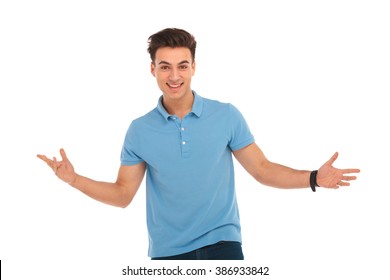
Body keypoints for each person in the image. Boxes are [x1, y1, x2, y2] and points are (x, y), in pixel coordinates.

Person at [37, 28, 360, 260]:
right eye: (165, 66)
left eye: (182, 65)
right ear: (153, 70)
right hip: (168, 256)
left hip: (224, 245)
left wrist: (314, 178)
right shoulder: (140, 130)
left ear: (193, 67)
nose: (174, 75)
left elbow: (262, 170)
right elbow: (123, 195)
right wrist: (73, 179)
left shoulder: (226, 115)